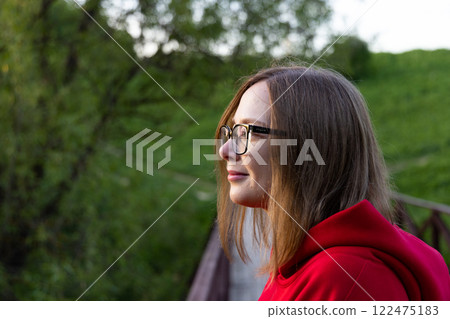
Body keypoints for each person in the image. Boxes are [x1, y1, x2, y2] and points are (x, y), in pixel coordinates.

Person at [215, 65, 450, 301]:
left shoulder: (342, 279)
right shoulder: (303, 259)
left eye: (249, 132)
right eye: (233, 131)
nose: (226, 150)